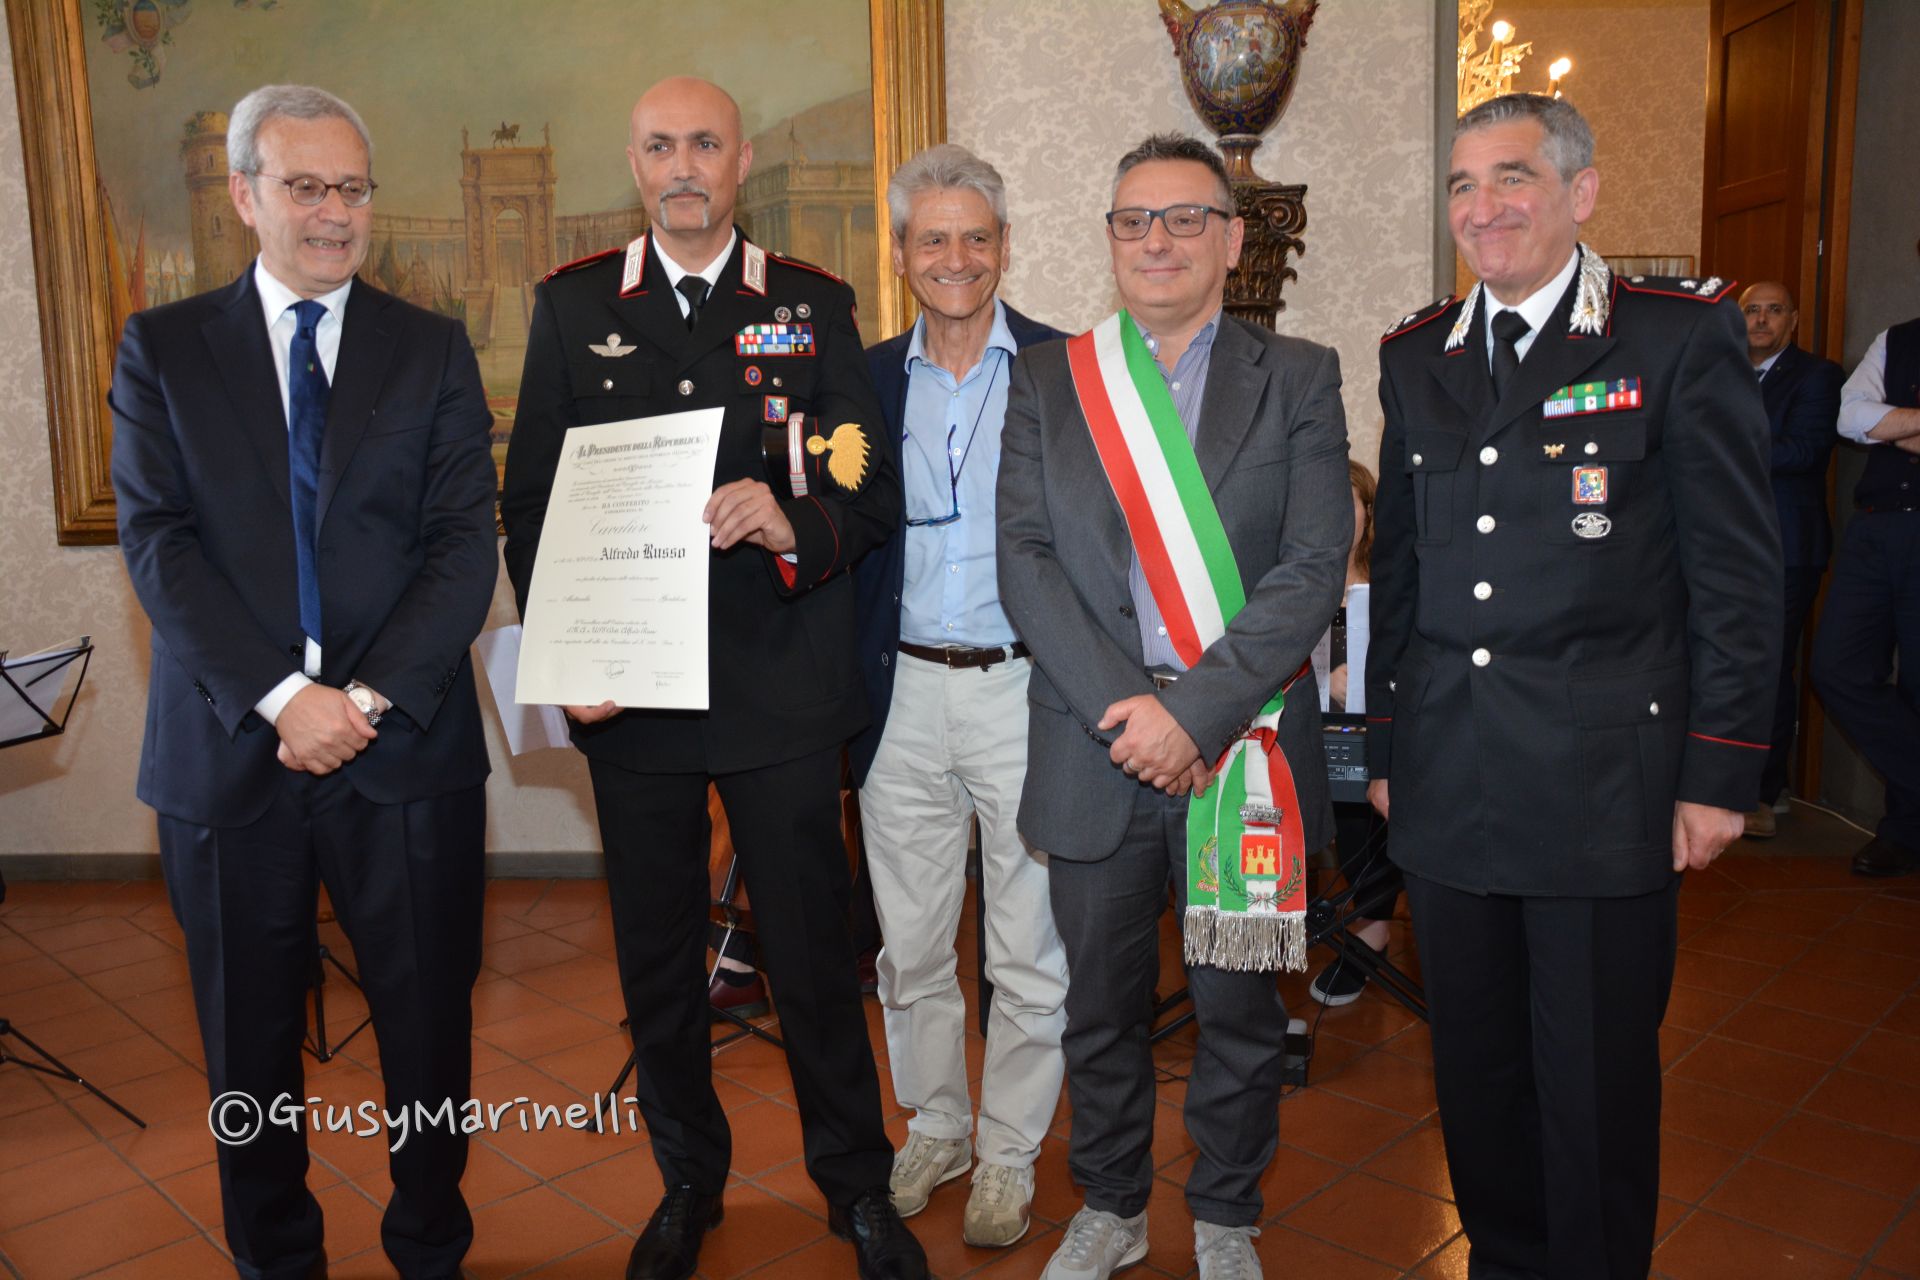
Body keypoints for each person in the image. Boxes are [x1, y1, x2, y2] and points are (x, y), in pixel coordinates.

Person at [499, 76, 925, 1280]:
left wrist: (793, 522)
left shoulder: (811, 301)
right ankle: (689, 1179)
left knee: (812, 952)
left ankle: (857, 1183)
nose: (681, 165)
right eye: (658, 146)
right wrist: (569, 655)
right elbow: (530, 504)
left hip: (779, 683)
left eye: (703, 143)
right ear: (634, 164)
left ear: (739, 161)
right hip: (633, 694)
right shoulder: (575, 304)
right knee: (657, 954)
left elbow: (868, 489)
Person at [1368, 93, 1779, 1279]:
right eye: (1462, 183)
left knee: (1592, 1083)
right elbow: (1401, 572)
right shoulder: (1417, 353)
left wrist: (1719, 773)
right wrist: (1387, 746)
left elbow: (1736, 577)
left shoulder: (1673, 336)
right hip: (1450, 773)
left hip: (1604, 782)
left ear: (1580, 191)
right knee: (1477, 1073)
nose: (1481, 206)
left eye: (1512, 177)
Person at [110, 84, 498, 1280]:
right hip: (231, 753)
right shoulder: (164, 349)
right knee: (248, 1042)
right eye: (306, 187)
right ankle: (276, 1257)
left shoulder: (430, 347)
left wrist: (360, 701)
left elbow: (462, 544)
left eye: (354, 188)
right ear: (245, 195)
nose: (335, 213)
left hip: (406, 750)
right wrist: (287, 699)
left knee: (429, 1029)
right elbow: (159, 544)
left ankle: (430, 1245)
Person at [997, 133, 1350, 1280]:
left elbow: (1314, 563)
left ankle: (1227, 1212)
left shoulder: (1298, 375)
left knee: (1239, 1011)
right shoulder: (1051, 380)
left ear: (1233, 240)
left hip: (1240, 748)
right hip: (1094, 743)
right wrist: (1128, 709)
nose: (1157, 240)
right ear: (1109, 238)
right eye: (1133, 219)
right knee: (1098, 1010)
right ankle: (1110, 1204)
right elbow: (1025, 559)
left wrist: (1191, 715)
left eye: (1186, 217)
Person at [849, 143, 1069, 1249]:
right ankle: (937, 1124)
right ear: (901, 254)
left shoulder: (1066, 370)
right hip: (897, 694)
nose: (956, 257)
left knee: (1028, 946)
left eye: (976, 236)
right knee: (910, 944)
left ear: (1005, 247)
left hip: (1024, 691)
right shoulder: (860, 381)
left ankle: (1011, 1150)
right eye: (932, 238)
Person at [1811, 306, 1920, 876]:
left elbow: (1874, 423)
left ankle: (1904, 832)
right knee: (1837, 669)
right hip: (1876, 530)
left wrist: (1893, 426)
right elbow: (1851, 415)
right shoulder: (1897, 339)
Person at [1738, 280, 1842, 838]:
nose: (1761, 320)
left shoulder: (1817, 376)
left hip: (1785, 546)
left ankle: (1763, 792)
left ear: (1794, 320)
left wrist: (1718, 447)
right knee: (1720, 664)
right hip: (1720, 546)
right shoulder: (1719, 371)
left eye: (1773, 310)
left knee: (1768, 668)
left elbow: (1804, 452)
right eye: (1751, 310)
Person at [1306, 460, 1403, 1007]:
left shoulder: (1391, 583)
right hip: (1303, 731)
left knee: (1369, 792)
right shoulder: (1292, 584)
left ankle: (1372, 927)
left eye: (1349, 504)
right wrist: (1325, 682)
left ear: (1369, 512)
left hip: (1378, 734)